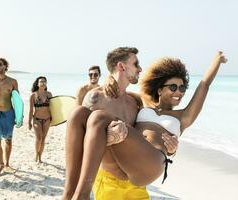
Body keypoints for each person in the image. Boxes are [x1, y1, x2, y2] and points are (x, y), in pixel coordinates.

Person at [69, 51, 227, 199]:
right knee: (80, 114)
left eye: (182, 88)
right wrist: (110, 79)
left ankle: (81, 196)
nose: (178, 92)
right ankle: (69, 193)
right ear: (159, 90)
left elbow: (204, 85)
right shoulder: (143, 103)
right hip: (128, 163)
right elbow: (119, 91)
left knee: (100, 117)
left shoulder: (183, 116)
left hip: (153, 162)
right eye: (173, 87)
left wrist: (217, 61)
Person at [62, 47, 178, 200]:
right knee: (79, 114)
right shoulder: (96, 97)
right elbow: (79, 142)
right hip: (108, 180)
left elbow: (146, 138)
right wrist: (106, 139)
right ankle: (71, 195)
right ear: (121, 67)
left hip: (133, 181)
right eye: (136, 64)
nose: (140, 69)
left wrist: (171, 150)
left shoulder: (135, 102)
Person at [28, 76, 52, 163]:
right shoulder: (33, 95)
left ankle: (40, 157)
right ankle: (36, 154)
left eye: (44, 82)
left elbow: (53, 108)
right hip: (36, 119)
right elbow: (31, 110)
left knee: (44, 138)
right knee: (39, 138)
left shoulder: (49, 94)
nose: (43, 83)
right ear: (37, 84)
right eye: (41, 82)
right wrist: (29, 122)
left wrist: (55, 119)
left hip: (47, 119)